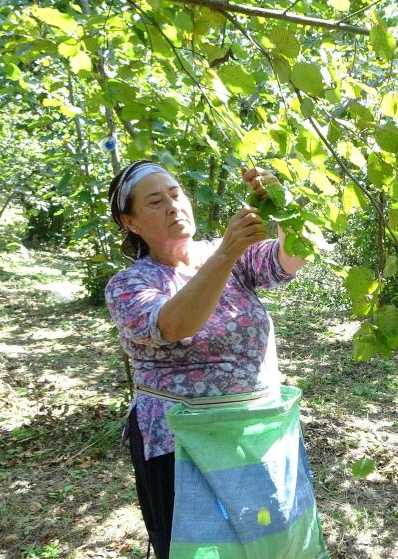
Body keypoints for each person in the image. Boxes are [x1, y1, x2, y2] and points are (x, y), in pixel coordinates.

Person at [105, 161, 309, 558]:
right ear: (130, 222)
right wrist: (228, 251)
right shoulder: (129, 284)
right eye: (155, 201)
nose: (173, 206)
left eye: (176, 193)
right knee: (202, 547)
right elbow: (175, 323)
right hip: (182, 448)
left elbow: (291, 258)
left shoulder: (230, 258)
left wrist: (281, 204)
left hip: (256, 433)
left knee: (270, 541)